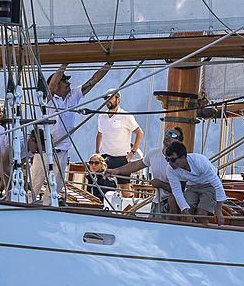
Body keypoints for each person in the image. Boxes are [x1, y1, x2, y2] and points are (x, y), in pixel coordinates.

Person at [30, 61, 111, 205]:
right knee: (35, 183)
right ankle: (26, 206)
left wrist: (109, 64)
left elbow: (93, 81)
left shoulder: (73, 96)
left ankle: (48, 208)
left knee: (55, 188)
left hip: (63, 151)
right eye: (64, 80)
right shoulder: (48, 99)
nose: (68, 83)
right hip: (45, 150)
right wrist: (64, 63)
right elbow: (52, 85)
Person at [106, 126, 184, 218]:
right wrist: (116, 171)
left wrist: (161, 184)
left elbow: (181, 190)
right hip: (157, 201)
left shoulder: (180, 160)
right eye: (168, 133)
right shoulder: (153, 154)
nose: (169, 136)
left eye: (173, 135)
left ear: (179, 142)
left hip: (172, 204)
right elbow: (136, 165)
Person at [164, 140, 226, 225]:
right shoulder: (170, 169)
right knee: (185, 212)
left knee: (201, 215)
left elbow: (218, 186)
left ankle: (203, 233)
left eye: (173, 160)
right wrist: (186, 212)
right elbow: (177, 192)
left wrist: (219, 210)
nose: (170, 163)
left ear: (183, 157)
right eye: (167, 159)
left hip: (209, 184)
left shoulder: (200, 161)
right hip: (192, 185)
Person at [95, 92, 143, 198]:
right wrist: (98, 152)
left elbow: (140, 133)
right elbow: (99, 134)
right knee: (103, 186)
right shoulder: (101, 116)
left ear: (118, 99)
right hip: (105, 157)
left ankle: (128, 211)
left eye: (110, 98)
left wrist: (132, 152)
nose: (108, 101)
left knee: (124, 187)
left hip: (121, 158)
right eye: (106, 99)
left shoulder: (126, 116)